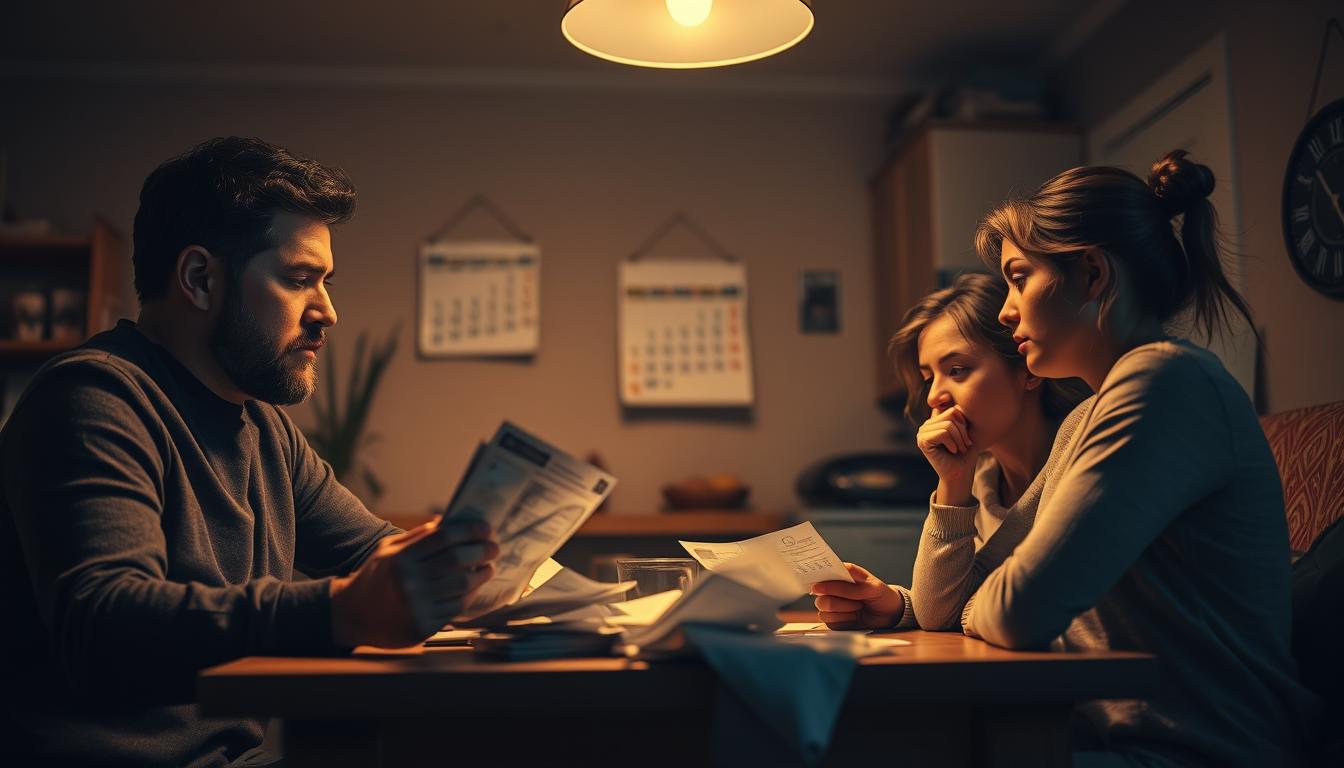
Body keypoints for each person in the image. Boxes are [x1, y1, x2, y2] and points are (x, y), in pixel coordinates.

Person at [0, 137, 499, 767]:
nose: (328, 312)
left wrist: (501, 578)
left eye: (326, 282)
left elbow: (375, 552)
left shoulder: (266, 430)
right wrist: (340, 611)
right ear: (200, 279)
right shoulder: (93, 397)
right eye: (299, 279)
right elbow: (105, 626)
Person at [964, 150, 1318, 765]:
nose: (1004, 308)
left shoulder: (1164, 383)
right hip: (1107, 737)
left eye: (1019, 277)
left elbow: (1019, 609)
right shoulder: (1088, 416)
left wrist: (976, 605)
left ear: (1092, 274)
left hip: (1197, 750)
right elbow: (984, 581)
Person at [811, 273, 1091, 631]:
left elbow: (1026, 608)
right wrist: (899, 606)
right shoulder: (981, 478)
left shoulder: (1084, 441)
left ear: (1027, 370)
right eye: (929, 378)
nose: (933, 397)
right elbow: (940, 613)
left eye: (957, 370)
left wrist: (954, 609)